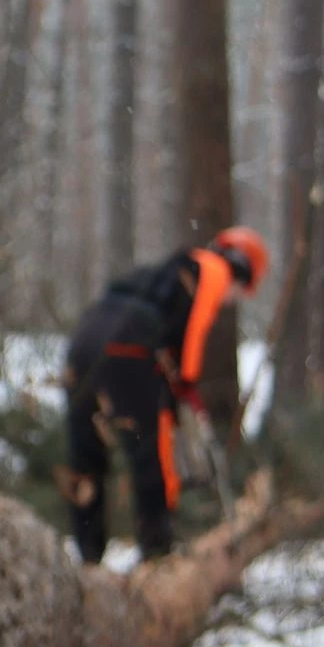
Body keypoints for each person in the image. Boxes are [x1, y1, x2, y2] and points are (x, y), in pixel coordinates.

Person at [59, 227, 269, 565]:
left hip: (84, 338)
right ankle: (157, 553)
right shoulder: (212, 269)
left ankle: (88, 556)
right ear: (243, 274)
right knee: (150, 452)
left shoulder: (170, 273)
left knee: (86, 455)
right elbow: (194, 332)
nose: (232, 301)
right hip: (127, 346)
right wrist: (186, 385)